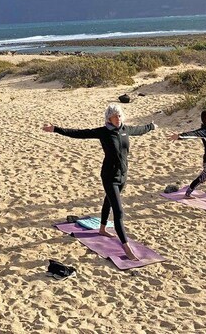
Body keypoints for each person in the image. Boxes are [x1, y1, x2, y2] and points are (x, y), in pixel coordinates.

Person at [43, 104, 156, 261]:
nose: (118, 118)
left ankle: (102, 228)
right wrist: (56, 129)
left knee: (108, 200)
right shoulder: (103, 132)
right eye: (115, 116)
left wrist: (151, 126)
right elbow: (79, 134)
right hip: (109, 176)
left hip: (123, 176)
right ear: (109, 118)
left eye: (120, 115)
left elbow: (140, 129)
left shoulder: (125, 130)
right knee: (119, 212)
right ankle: (126, 247)